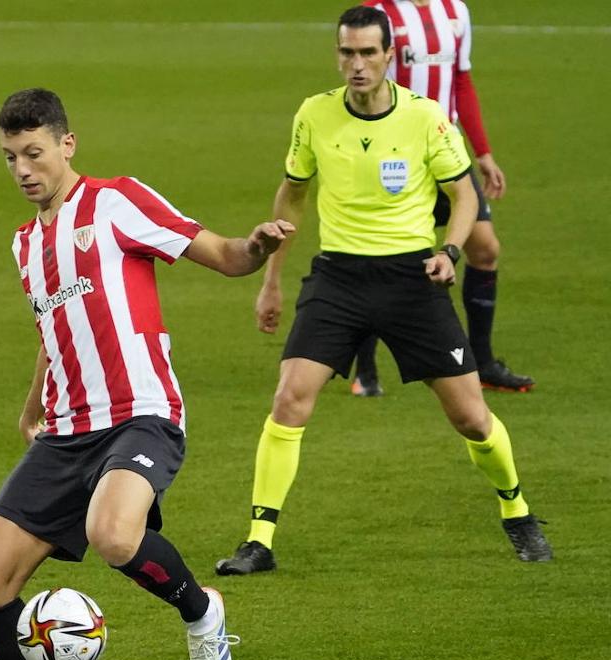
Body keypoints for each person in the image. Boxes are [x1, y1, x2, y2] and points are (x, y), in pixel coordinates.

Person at [0, 88, 294, 660]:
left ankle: (203, 615)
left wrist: (256, 247)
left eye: (33, 153)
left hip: (141, 413)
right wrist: (33, 408)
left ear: (66, 145)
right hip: (65, 429)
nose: (23, 169)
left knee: (112, 534)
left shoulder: (117, 202)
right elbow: (53, 332)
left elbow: (225, 255)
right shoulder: (26, 243)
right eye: (9, 158)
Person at [213, 7, 551, 577]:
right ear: (337, 55)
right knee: (290, 398)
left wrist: (449, 252)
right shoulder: (314, 115)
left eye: (368, 53)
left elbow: (464, 195)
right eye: (347, 52)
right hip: (338, 278)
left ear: (390, 56)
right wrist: (270, 279)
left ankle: (517, 509)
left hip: (410, 280)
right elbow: (292, 194)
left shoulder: (425, 118)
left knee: (471, 418)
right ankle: (259, 539)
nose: (357, 64)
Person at [350, 0, 532, 396]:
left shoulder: (455, 10)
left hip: (447, 154)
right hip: (396, 157)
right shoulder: (378, 12)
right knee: (376, 255)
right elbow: (363, 86)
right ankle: (365, 372)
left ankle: (482, 362)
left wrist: (482, 152)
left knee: (485, 250)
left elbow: (461, 82)